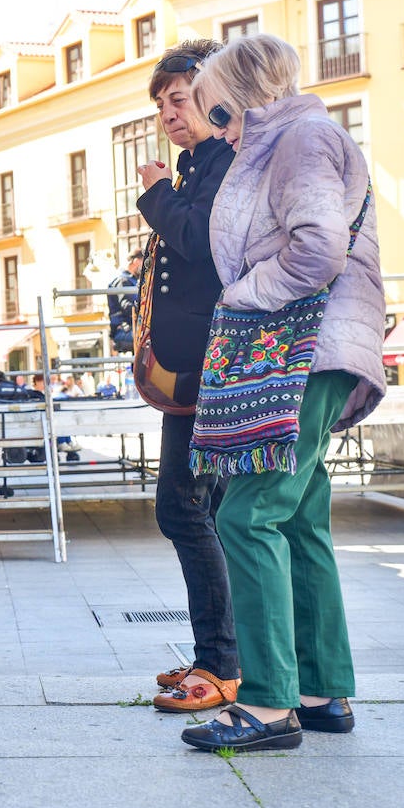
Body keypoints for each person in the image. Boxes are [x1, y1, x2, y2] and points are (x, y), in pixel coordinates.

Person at [180, 33, 385, 752]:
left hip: (304, 348)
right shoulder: (296, 138)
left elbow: (318, 248)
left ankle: (267, 706)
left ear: (241, 98)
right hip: (314, 350)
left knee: (248, 514)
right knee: (299, 517)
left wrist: (242, 293)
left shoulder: (301, 138)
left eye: (217, 115)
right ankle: (324, 690)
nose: (219, 132)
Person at [133, 39, 241, 714]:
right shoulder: (197, 165)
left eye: (181, 98)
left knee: (184, 509)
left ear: (212, 98)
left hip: (212, 367)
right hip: (192, 371)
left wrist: (153, 195)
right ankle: (224, 656)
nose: (171, 112)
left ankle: (223, 663)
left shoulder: (225, 163)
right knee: (208, 512)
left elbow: (199, 242)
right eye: (163, 103)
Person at [107, 252, 142, 353]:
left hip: (131, 328)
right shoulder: (123, 280)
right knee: (150, 340)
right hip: (124, 330)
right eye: (143, 261)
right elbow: (126, 306)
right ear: (136, 261)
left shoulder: (133, 281)